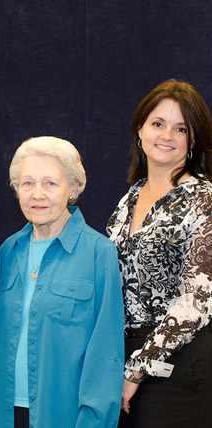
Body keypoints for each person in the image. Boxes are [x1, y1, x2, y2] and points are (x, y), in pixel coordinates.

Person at [0, 136, 124, 428]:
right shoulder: (6, 251)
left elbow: (105, 355)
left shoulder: (99, 253)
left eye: (50, 183)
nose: (37, 194)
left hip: (64, 418)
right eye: (27, 183)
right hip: (3, 415)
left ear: (73, 189)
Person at [107, 79, 212, 427]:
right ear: (140, 130)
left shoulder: (203, 198)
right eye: (157, 123)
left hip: (179, 363)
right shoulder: (128, 201)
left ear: (193, 140)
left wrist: (138, 368)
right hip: (123, 360)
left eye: (180, 128)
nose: (166, 135)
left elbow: (197, 299)